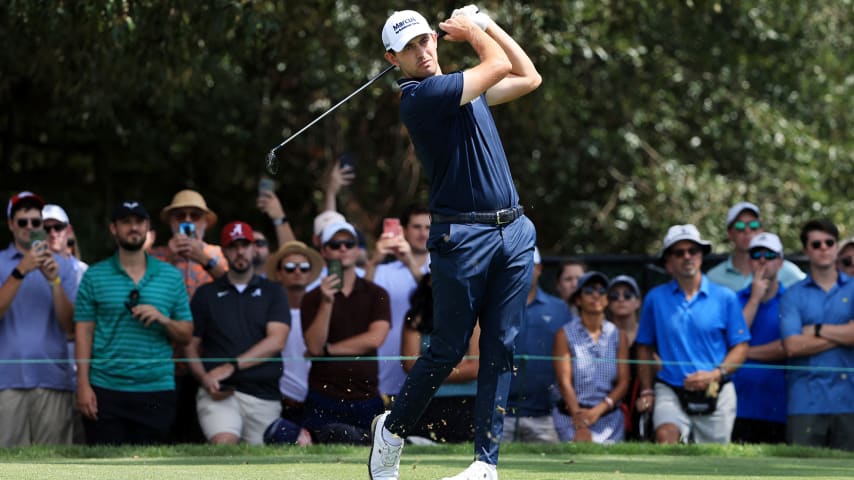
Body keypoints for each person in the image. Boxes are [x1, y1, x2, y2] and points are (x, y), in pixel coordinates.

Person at [369, 7, 541, 480]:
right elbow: (498, 66)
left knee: (501, 348)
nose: (422, 51)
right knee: (447, 349)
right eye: (410, 47)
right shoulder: (420, 96)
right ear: (394, 58)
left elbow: (528, 75)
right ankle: (392, 429)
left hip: (513, 230)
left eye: (426, 40)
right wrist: (475, 30)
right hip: (462, 236)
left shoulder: (468, 89)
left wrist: (487, 24)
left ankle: (485, 464)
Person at [74, 201, 193, 445]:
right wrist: (83, 385)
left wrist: (163, 319)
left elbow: (186, 334)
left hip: (156, 388)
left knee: (150, 468)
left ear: (148, 228)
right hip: (105, 387)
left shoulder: (170, 276)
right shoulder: (94, 275)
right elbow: (83, 333)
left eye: (138, 222)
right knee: (106, 469)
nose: (133, 228)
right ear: (113, 229)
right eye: (126, 222)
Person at [635, 224, 750, 444]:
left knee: (715, 462)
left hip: (716, 389)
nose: (687, 257)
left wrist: (716, 373)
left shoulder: (725, 297)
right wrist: (647, 390)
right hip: (670, 387)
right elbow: (644, 346)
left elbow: (741, 346)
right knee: (665, 435)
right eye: (679, 252)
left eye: (693, 251)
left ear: (701, 257)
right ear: (669, 263)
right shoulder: (655, 298)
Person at [185, 221, 290, 445]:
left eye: (245, 245)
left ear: (254, 248)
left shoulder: (274, 292)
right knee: (225, 446)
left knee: (263, 466)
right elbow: (190, 344)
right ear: (224, 251)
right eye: (233, 246)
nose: (240, 252)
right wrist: (204, 379)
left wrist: (230, 367)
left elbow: (276, 340)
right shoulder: (206, 294)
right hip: (221, 393)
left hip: (264, 395)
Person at [301, 221, 391, 444]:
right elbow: (313, 346)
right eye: (335, 244)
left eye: (349, 244)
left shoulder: (376, 292)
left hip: (366, 396)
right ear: (323, 251)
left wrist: (328, 350)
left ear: (357, 249)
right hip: (323, 396)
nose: (343, 249)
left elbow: (375, 338)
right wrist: (327, 302)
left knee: (368, 450)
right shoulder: (312, 297)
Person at [1, 191, 77, 447]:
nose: (30, 228)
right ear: (11, 224)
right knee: (8, 467)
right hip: (6, 381)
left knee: (53, 467)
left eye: (36, 222)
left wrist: (54, 281)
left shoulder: (63, 266)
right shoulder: (0, 262)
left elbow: (70, 327)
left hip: (52, 379)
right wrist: (21, 269)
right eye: (23, 222)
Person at [780, 219, 854, 451]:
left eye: (829, 243)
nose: (823, 248)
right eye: (816, 244)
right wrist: (842, 334)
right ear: (806, 250)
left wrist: (817, 330)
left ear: (836, 248)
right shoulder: (792, 295)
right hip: (806, 402)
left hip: (849, 400)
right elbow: (792, 345)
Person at [400, 273, 479, 444]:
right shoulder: (416, 317)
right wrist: (459, 365)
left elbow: (475, 367)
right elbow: (410, 365)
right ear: (429, 281)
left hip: (466, 404)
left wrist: (429, 367)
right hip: (425, 403)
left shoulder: (475, 314)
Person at [552, 272, 629, 444]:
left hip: (610, 421)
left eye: (602, 291)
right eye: (588, 291)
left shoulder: (618, 335)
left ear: (607, 299)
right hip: (571, 418)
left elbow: (624, 382)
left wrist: (598, 411)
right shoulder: (564, 334)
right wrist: (580, 424)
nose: (596, 295)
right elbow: (564, 382)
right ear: (578, 300)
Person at [503, 247, 570, 443]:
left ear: (539, 268)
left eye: (528, 265)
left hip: (546, 415)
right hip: (500, 413)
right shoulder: (496, 306)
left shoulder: (560, 309)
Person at [366, 204, 431, 400]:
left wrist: (410, 262)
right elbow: (361, 300)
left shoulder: (442, 269)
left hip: (425, 376)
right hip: (383, 373)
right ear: (403, 230)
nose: (423, 233)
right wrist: (374, 261)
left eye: (428, 228)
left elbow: (435, 300)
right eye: (417, 227)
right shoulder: (383, 270)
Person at [732, 232, 788, 444]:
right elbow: (736, 338)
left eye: (770, 255)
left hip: (779, 405)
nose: (763, 260)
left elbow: (788, 346)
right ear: (749, 262)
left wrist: (743, 353)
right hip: (740, 405)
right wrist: (754, 298)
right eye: (756, 254)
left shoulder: (791, 300)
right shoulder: (734, 300)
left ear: (781, 262)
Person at [266, 240, 322, 443]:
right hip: (279, 402)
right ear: (279, 274)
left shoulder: (323, 310)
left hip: (317, 401)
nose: (297, 271)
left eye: (304, 267)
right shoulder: (267, 313)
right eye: (290, 267)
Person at [707, 202, 805, 290]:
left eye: (753, 225)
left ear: (761, 230)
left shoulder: (788, 271)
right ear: (729, 233)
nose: (747, 230)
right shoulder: (714, 278)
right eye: (740, 226)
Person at [150, 189, 226, 297]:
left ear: (205, 222)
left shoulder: (220, 254)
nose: (188, 220)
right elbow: (147, 292)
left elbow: (233, 286)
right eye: (180, 216)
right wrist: (169, 259)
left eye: (195, 216)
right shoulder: (153, 255)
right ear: (171, 221)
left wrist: (203, 259)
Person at [606, 274, 649, 441]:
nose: (621, 300)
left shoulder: (649, 335)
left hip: (643, 403)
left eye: (628, 295)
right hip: (609, 405)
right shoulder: (601, 335)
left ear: (638, 302)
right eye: (614, 296)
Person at [42, 204, 88, 286]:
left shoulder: (84, 271)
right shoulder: (32, 272)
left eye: (58, 227)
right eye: (46, 229)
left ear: (69, 230)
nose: (53, 234)